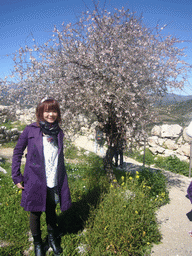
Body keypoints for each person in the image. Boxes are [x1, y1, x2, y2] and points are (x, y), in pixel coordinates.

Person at [12, 97, 72, 256]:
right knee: (35, 212)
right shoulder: (30, 130)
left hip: (53, 177)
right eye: (47, 111)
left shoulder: (59, 132)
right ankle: (38, 243)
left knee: (52, 210)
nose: (50, 114)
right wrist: (16, 176)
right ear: (41, 112)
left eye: (53, 111)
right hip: (34, 179)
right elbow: (17, 151)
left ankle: (52, 239)